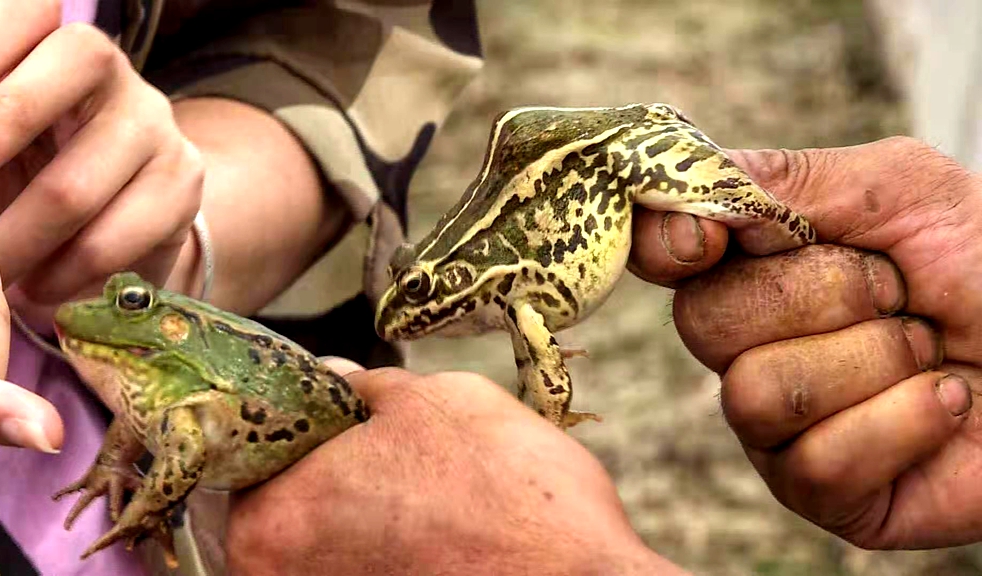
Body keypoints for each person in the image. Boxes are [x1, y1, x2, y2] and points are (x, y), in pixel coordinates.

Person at [224, 135, 982, 574]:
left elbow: (545, 381)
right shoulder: (513, 300)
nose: (408, 313)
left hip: (617, 156)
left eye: (423, 289)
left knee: (748, 207)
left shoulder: (513, 294)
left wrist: (542, 541)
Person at [0, 1, 483, 575]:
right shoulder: (163, 398)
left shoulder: (164, 386)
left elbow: (350, 30)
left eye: (130, 302)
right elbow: (166, 443)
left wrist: (171, 226)